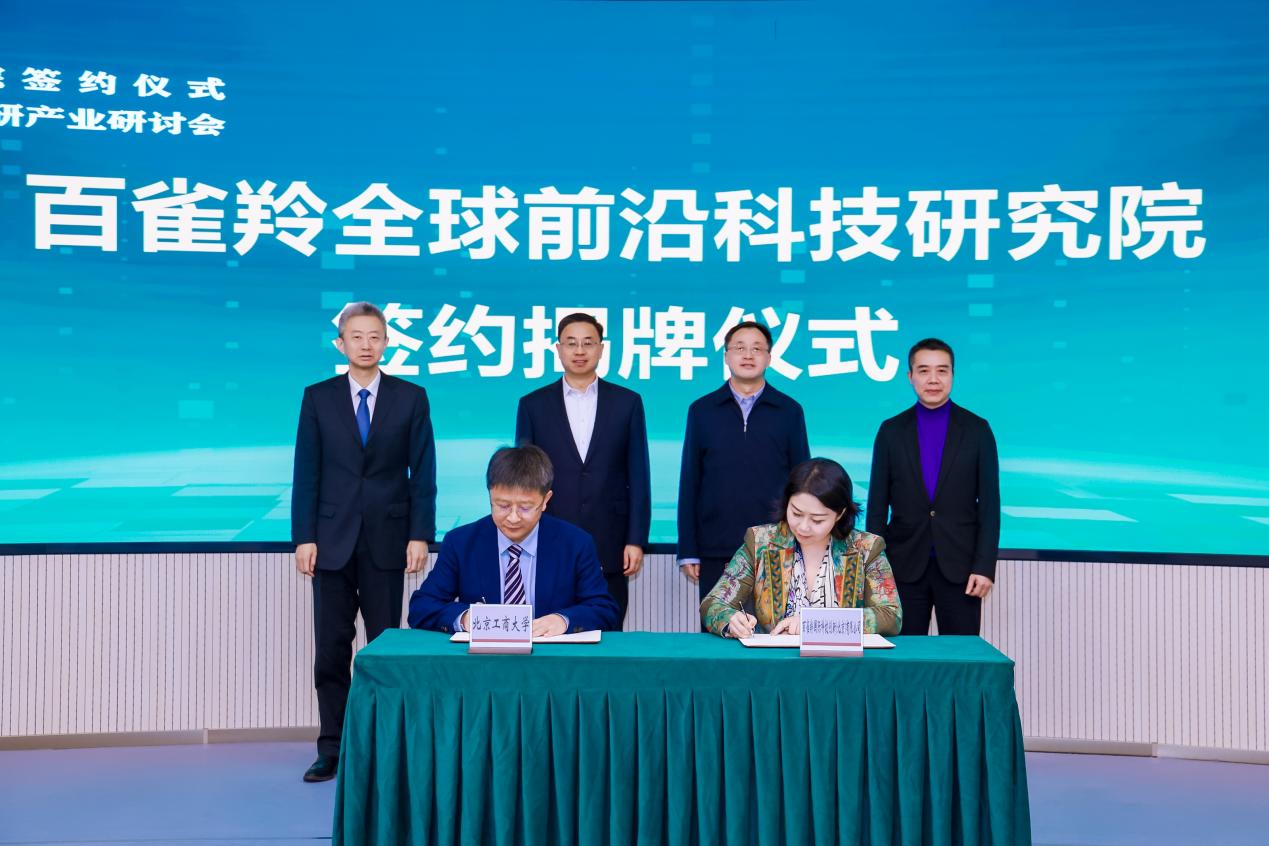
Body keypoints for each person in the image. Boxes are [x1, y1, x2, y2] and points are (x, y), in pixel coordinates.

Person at [291, 301, 436, 782]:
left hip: (388, 541)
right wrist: (304, 537)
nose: (366, 345)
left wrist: (420, 534)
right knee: (331, 652)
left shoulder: (411, 397)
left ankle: (384, 747)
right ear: (341, 344)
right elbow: (306, 473)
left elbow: (423, 474)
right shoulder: (318, 398)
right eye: (357, 336)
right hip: (330, 542)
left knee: (384, 649)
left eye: (375, 336)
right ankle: (331, 748)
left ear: (387, 342)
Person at [515, 312, 651, 625]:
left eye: (588, 343)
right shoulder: (533, 404)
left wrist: (635, 539)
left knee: (608, 628)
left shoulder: (627, 402)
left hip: (611, 541)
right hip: (548, 537)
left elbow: (639, 475)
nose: (579, 350)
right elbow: (522, 478)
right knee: (546, 628)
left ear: (601, 349)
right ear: (558, 349)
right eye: (571, 343)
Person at [408, 445, 620, 634]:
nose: (513, 517)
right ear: (490, 495)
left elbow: (604, 609)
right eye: (502, 506)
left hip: (552, 660)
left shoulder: (575, 544)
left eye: (525, 507)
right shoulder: (461, 543)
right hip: (484, 660)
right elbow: (422, 606)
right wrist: (465, 618)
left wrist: (563, 621)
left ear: (545, 500)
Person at [866, 337, 1000, 636]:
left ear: (952, 375)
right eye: (924, 370)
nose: (933, 379)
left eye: (942, 370)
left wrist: (984, 567)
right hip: (902, 566)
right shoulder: (891, 431)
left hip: (962, 568)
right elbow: (877, 507)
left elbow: (990, 507)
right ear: (910, 376)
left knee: (960, 655)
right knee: (903, 655)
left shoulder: (977, 430)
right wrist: (876, 569)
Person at [678, 321, 810, 606]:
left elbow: (803, 484)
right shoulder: (702, 410)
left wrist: (804, 543)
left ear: (769, 357)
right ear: (726, 356)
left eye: (757, 349)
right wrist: (688, 549)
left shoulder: (789, 411)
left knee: (776, 628)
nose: (748, 355)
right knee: (719, 627)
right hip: (717, 547)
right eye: (740, 348)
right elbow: (690, 482)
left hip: (776, 546)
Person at [701, 458, 902, 637]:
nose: (803, 527)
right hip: (775, 662)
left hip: (841, 663)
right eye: (796, 513)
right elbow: (713, 604)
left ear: (840, 514)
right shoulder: (761, 543)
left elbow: (891, 616)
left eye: (817, 519)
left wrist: (814, 623)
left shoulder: (865, 548)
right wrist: (731, 619)